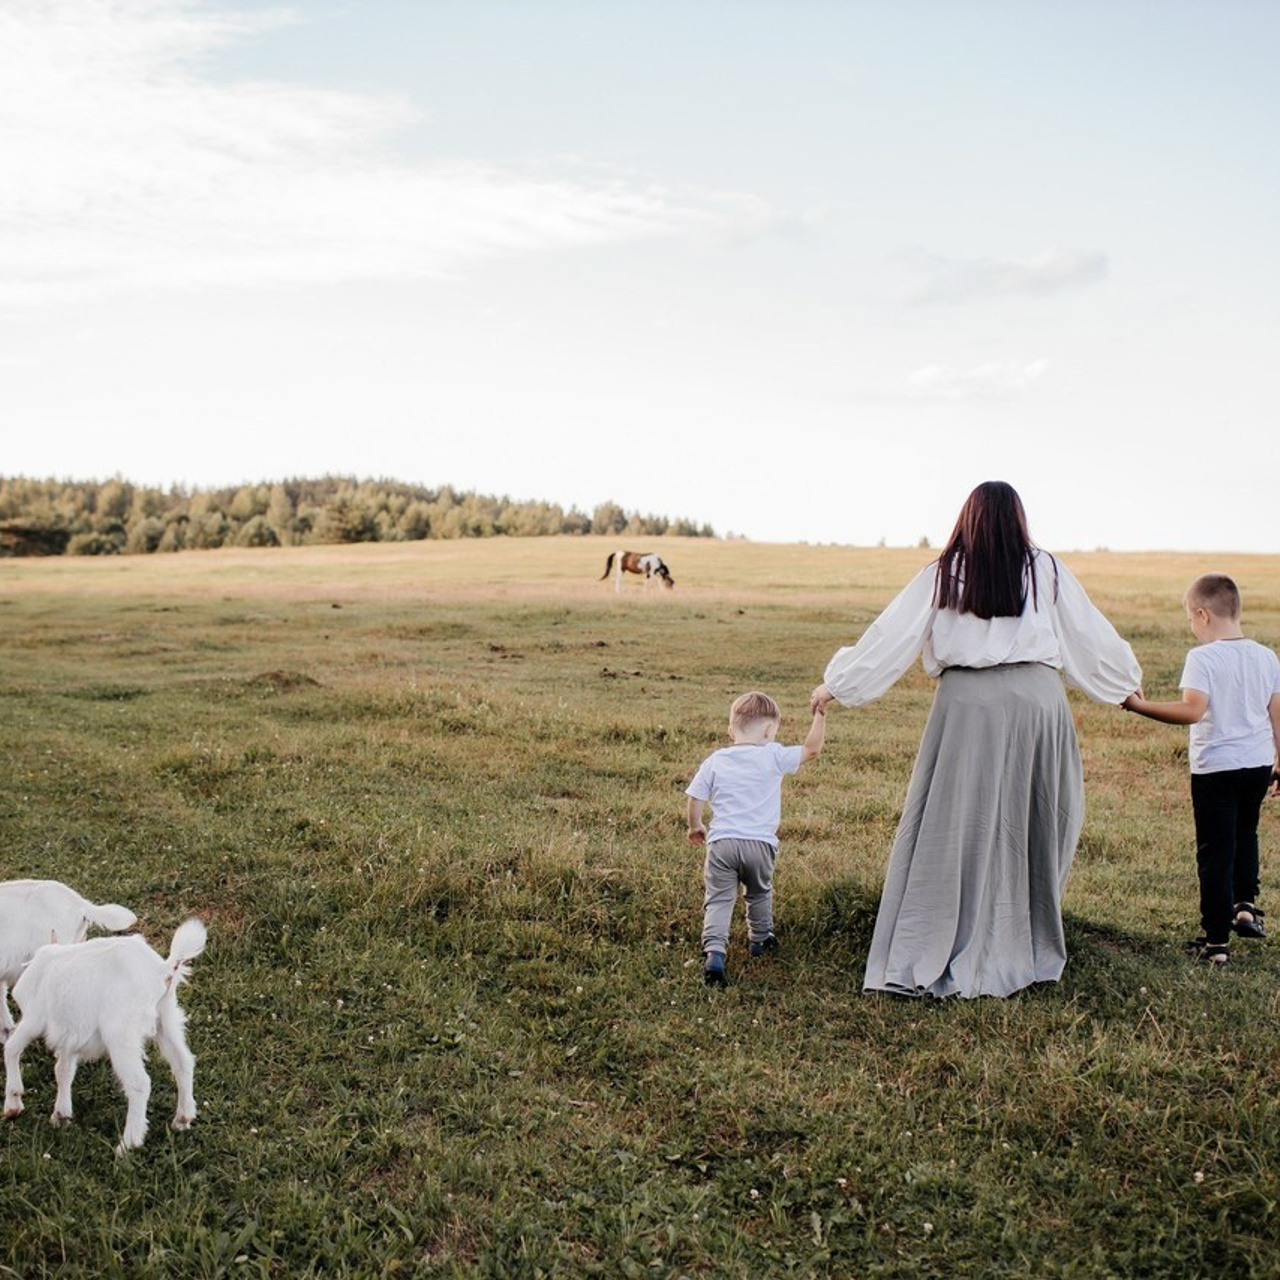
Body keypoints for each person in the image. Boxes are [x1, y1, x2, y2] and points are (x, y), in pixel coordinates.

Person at [810, 480, 1142, 999]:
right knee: (1030, 822)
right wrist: (1122, 683)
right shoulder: (1045, 569)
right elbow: (1088, 633)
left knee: (955, 824)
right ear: (1019, 520)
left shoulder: (943, 573)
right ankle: (1019, 939)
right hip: (1036, 703)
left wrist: (838, 685)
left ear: (967, 519)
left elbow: (890, 636)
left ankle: (948, 936)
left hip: (968, 707)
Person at [1122, 574, 1280, 965]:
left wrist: (1140, 706)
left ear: (1202, 614)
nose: (1192, 628)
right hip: (1257, 763)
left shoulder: (1203, 658)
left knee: (1215, 850)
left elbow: (1193, 710)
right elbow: (1277, 715)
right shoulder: (1266, 656)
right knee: (1246, 832)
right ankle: (1244, 906)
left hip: (1216, 769)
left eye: (1191, 620)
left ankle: (1216, 944)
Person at [686, 691, 826, 987]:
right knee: (759, 892)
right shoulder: (774, 754)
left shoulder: (716, 759)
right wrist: (819, 715)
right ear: (769, 730)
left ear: (730, 730)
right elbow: (813, 749)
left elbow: (696, 795)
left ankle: (714, 952)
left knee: (720, 899)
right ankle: (760, 940)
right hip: (760, 845)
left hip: (722, 844)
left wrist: (695, 825)